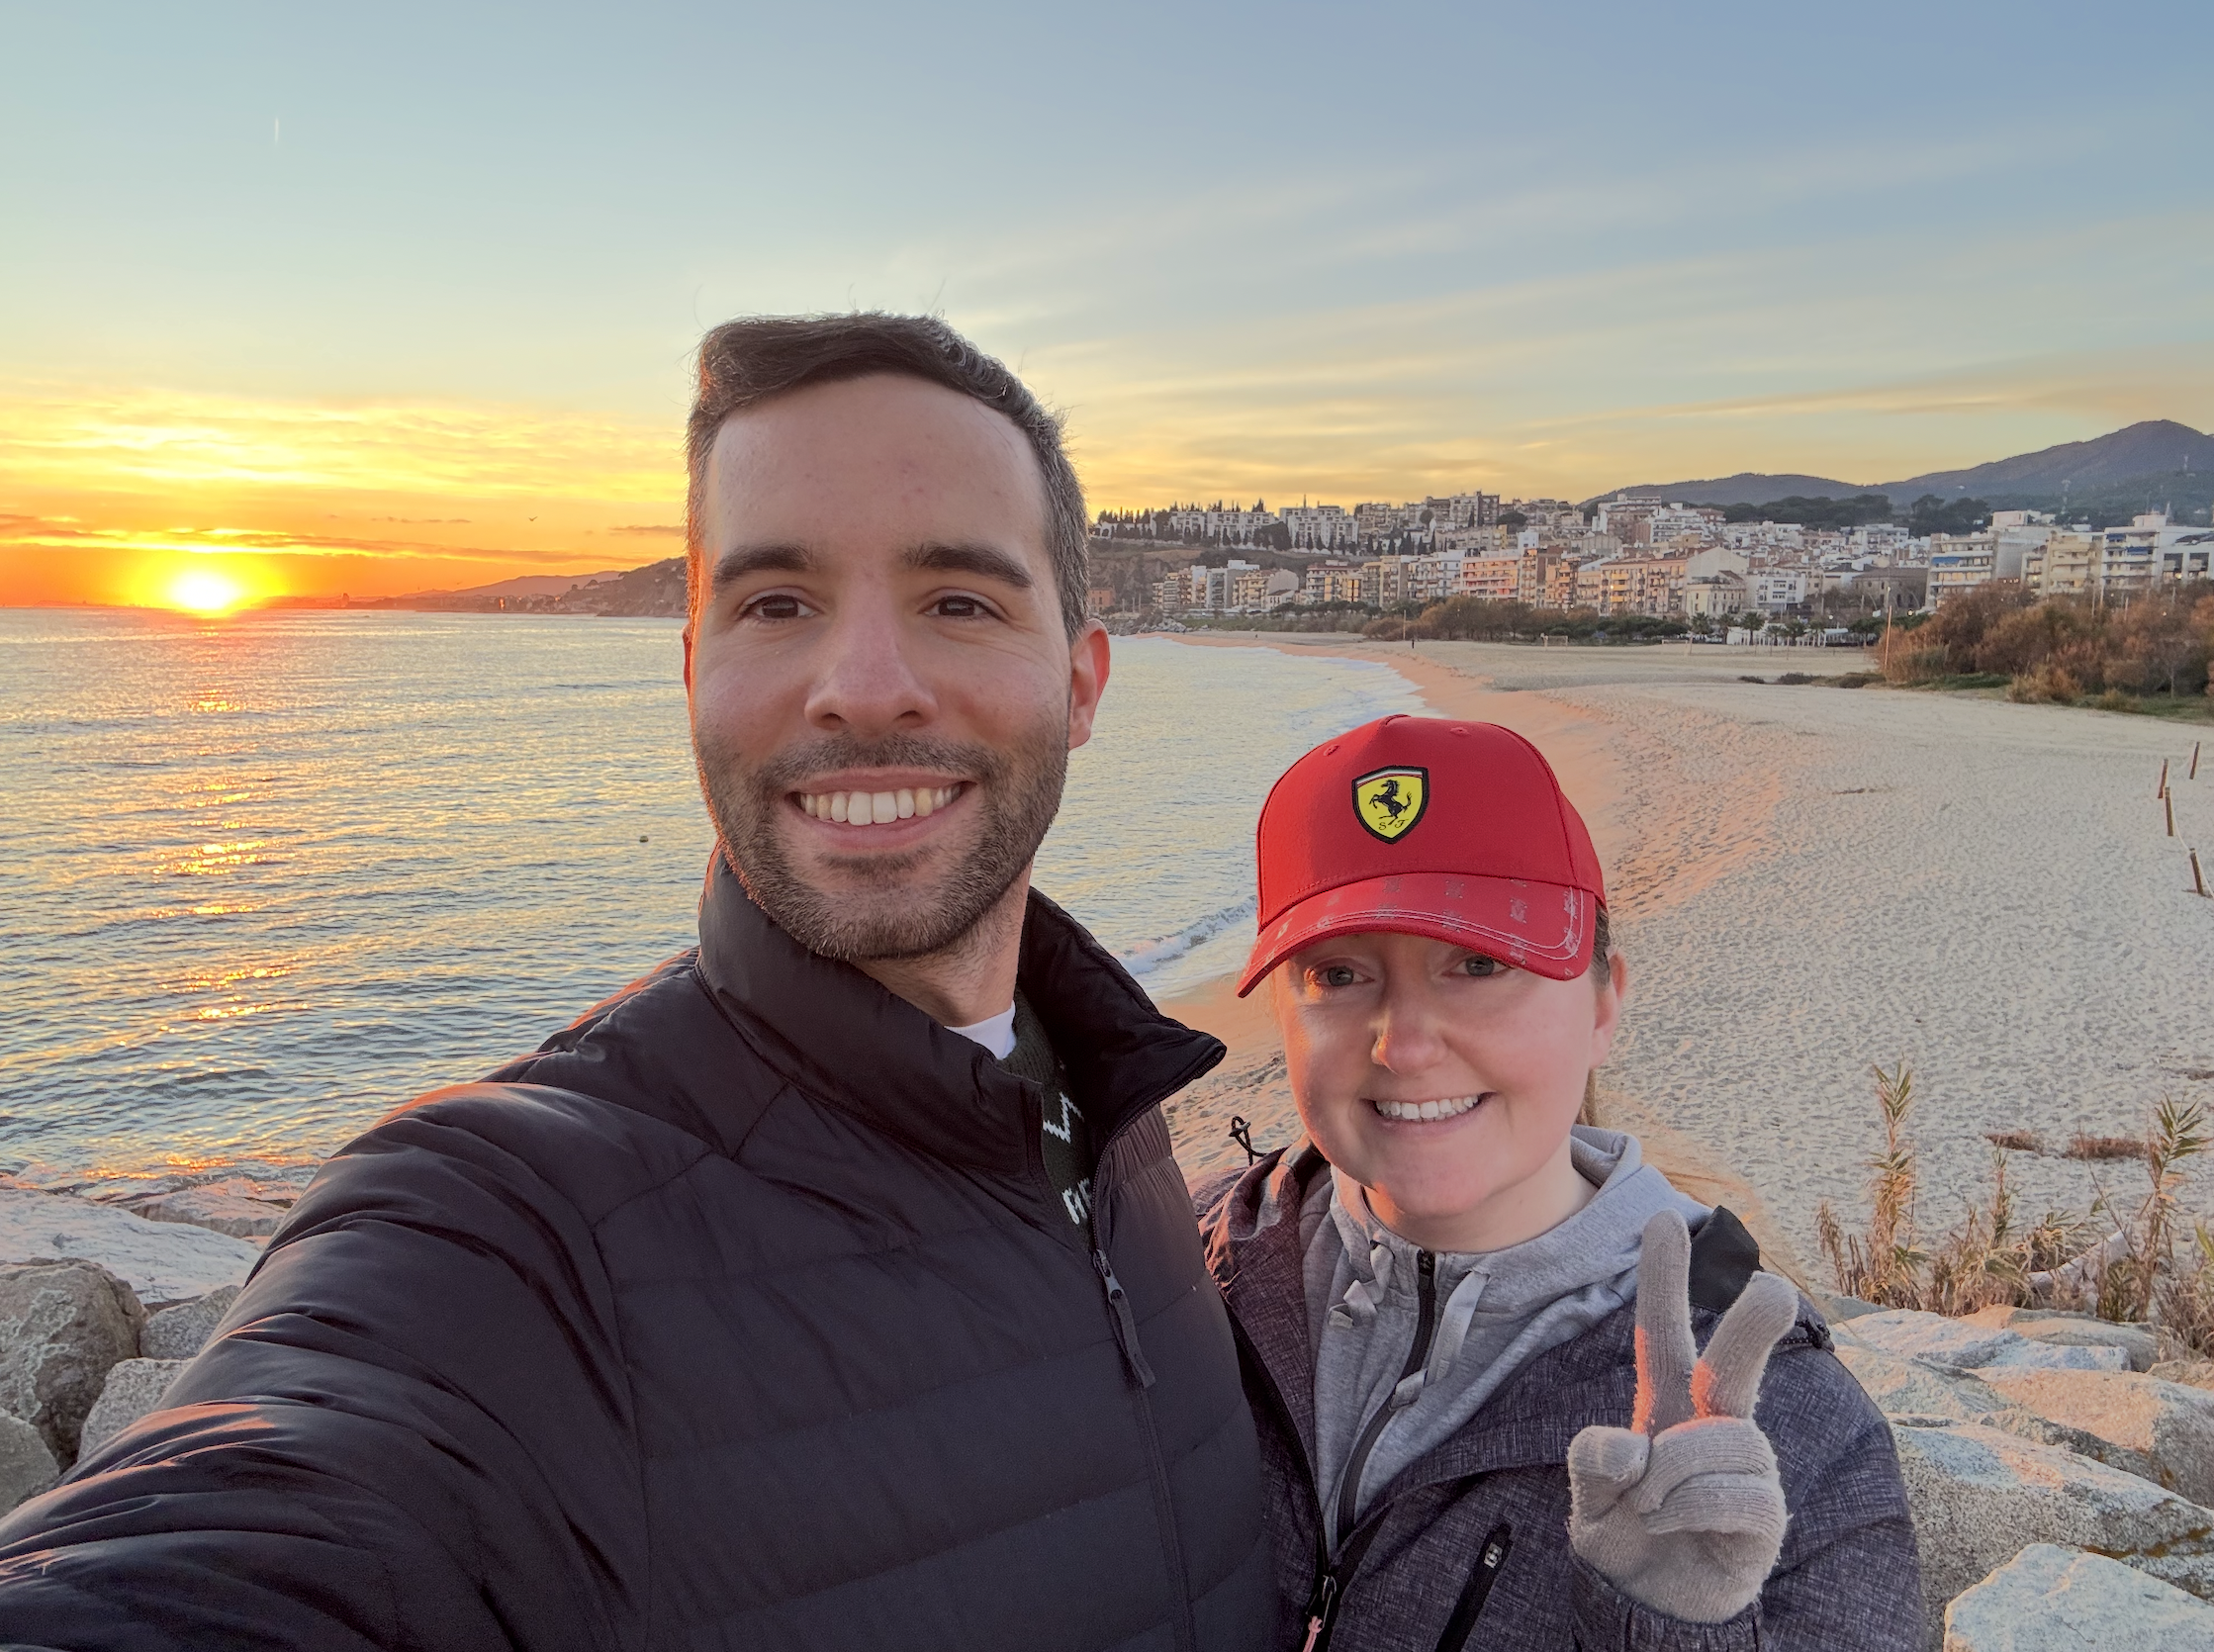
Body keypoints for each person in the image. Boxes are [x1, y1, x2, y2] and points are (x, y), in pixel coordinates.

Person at [0, 315, 1273, 1650]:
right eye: (776, 604)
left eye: (958, 600)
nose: (861, 688)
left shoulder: (1116, 1107)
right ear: (691, 672)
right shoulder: (515, 1230)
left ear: (1080, 680)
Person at [1195, 713, 1920, 1650]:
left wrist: (1665, 1626)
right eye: (1338, 974)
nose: (1403, 1045)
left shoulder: (1792, 1428)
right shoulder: (1180, 1267)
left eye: (1479, 963)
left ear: (1603, 1002)